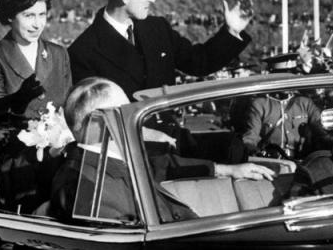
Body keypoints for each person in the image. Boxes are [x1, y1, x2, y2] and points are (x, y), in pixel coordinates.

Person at [49, 77, 273, 223]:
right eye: (126, 113)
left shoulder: (112, 161)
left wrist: (228, 170)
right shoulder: (83, 187)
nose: (136, 122)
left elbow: (163, 165)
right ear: (101, 123)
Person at [68, 0, 252, 100]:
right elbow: (94, 117)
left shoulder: (157, 28)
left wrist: (231, 31)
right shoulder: (83, 51)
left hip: (170, 139)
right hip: (127, 145)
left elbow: (199, 62)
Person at [0, 0, 72, 211]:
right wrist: (19, 98)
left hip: (55, 150)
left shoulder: (59, 54)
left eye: (42, 15)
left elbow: (67, 106)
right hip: (9, 153)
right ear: (9, 16)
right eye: (28, 16)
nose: (37, 24)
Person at [235, 53, 330, 161]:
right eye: (283, 78)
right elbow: (250, 138)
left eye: (291, 77)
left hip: (303, 162)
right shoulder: (260, 104)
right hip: (270, 163)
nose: (288, 82)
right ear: (273, 79)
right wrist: (254, 151)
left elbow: (321, 131)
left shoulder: (304, 103)